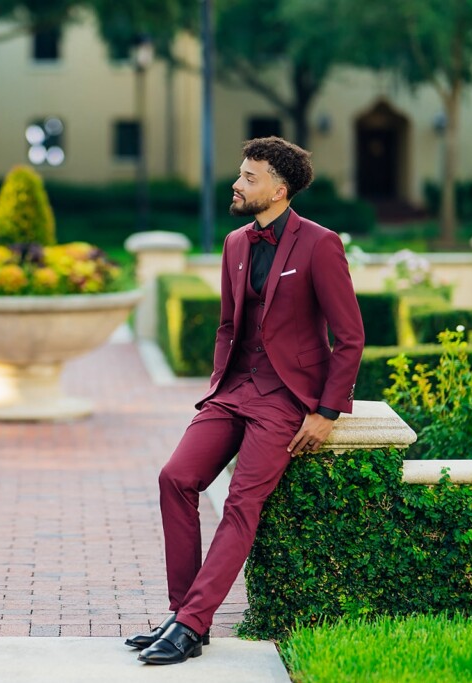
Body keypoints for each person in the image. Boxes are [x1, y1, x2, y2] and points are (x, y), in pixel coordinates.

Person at [128, 137, 364, 664]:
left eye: (249, 177)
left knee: (241, 503)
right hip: (233, 391)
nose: (237, 184)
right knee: (175, 478)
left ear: (279, 190)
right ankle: (183, 615)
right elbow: (229, 325)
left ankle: (191, 625)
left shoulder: (320, 244)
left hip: (285, 399)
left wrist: (326, 412)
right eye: (240, 174)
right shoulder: (236, 244)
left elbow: (350, 337)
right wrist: (219, 384)